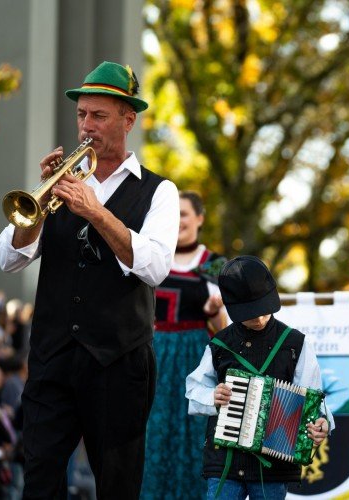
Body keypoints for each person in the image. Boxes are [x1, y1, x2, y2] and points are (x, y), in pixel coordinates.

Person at [0, 60, 180, 499]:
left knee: (117, 485)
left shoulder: (160, 192)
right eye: (82, 115)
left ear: (127, 119)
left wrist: (96, 211)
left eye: (99, 116)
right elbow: (9, 258)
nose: (86, 126)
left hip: (118, 363)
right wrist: (39, 202)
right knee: (39, 480)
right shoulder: (61, 183)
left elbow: (154, 267)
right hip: (52, 358)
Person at [185, 255, 331, 500]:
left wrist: (322, 423)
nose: (260, 317)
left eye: (265, 308)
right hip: (225, 463)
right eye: (251, 312)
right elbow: (194, 387)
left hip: (273, 469)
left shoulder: (295, 344)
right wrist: (213, 396)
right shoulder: (220, 344)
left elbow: (313, 397)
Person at [141, 190, 228, 499]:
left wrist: (213, 313)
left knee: (195, 436)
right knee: (154, 433)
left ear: (200, 219)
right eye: (174, 214)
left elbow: (226, 331)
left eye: (185, 214)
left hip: (197, 357)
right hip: (154, 358)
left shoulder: (215, 264)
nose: (178, 221)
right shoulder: (153, 257)